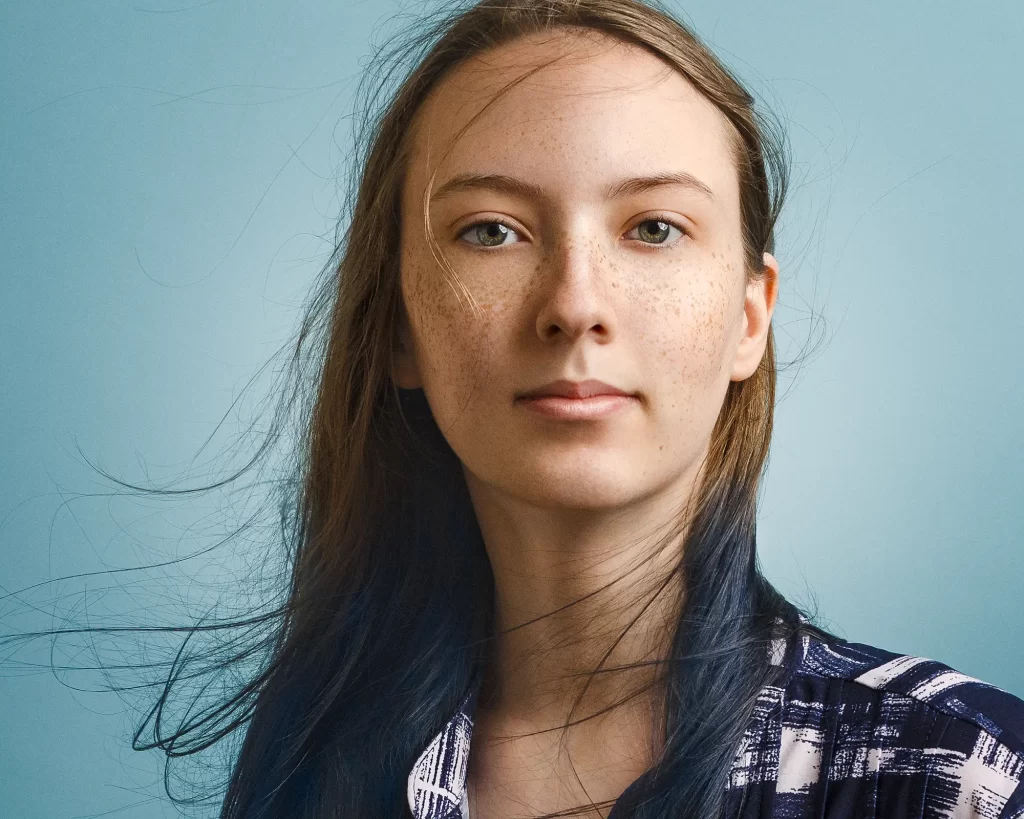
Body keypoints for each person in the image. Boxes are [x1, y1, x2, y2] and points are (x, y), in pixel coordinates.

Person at [15, 1, 1022, 818]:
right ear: (399, 325)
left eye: (655, 228)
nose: (575, 304)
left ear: (749, 318)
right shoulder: (307, 779)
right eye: (490, 231)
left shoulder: (967, 778)